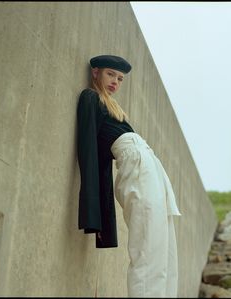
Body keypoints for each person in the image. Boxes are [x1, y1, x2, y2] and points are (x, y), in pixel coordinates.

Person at [77, 54, 181, 298]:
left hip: (149, 168)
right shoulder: (91, 98)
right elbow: (90, 152)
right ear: (95, 73)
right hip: (137, 168)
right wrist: (95, 215)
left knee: (164, 249)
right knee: (147, 249)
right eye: (110, 74)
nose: (115, 81)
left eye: (120, 78)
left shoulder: (114, 108)